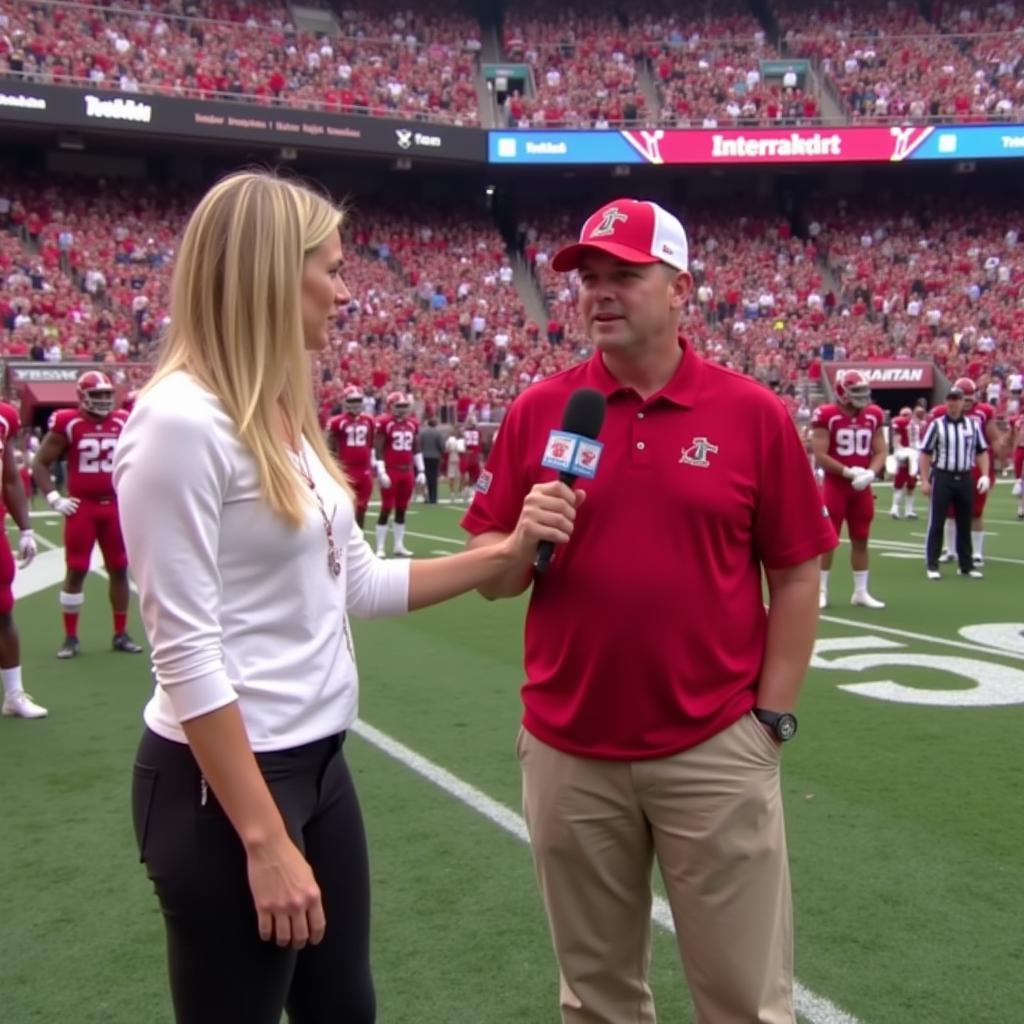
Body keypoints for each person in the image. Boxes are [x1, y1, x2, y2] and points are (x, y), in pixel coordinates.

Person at [112, 171, 578, 1024]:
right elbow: (183, 651)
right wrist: (262, 839)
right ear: (267, 274)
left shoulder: (280, 409)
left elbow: (359, 581)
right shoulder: (179, 421)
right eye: (328, 266)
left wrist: (507, 553)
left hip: (320, 766)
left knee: (344, 1010)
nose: (344, 287)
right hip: (228, 788)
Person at [460, 197, 837, 1024]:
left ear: (679, 288)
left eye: (624, 276)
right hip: (568, 749)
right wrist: (521, 540)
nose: (600, 293)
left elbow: (798, 574)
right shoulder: (542, 409)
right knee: (596, 1002)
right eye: (589, 278)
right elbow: (493, 580)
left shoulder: (752, 413)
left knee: (745, 1001)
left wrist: (770, 719)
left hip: (713, 746)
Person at [31, 370, 144, 658]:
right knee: (77, 569)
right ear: (82, 397)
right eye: (98, 395)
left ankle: (121, 633)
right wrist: (55, 497)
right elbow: (41, 463)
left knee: (119, 568)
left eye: (107, 395)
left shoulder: (122, 421)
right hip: (83, 507)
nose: (104, 401)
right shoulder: (68, 423)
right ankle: (70, 637)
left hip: (115, 505)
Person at [811, 369, 887, 609]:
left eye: (864, 390)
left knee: (861, 538)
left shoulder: (873, 415)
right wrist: (848, 471)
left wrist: (871, 473)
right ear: (842, 392)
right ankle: (820, 590)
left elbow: (881, 450)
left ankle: (861, 592)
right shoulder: (827, 415)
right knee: (829, 539)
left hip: (861, 487)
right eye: (856, 391)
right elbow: (820, 454)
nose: (862, 395)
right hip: (836, 485)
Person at [919, 383, 990, 579]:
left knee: (964, 522)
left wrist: (984, 474)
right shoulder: (937, 425)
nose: (953, 404)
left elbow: (982, 451)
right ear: (945, 402)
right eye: (950, 400)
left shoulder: (972, 425)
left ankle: (965, 565)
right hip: (943, 476)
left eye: (957, 400)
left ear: (963, 403)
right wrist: (924, 479)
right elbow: (925, 453)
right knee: (937, 522)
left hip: (965, 477)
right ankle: (932, 565)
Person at [0, 400, 43, 719]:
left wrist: (26, 529)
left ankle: (14, 695)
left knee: (3, 611)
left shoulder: (5, 417)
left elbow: (10, 478)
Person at [930, 377, 1000, 565]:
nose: (966, 403)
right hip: (949, 468)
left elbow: (993, 440)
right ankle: (950, 550)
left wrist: (991, 468)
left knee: (976, 512)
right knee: (949, 513)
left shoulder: (983, 412)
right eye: (963, 399)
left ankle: (976, 552)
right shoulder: (941, 414)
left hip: (975, 468)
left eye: (969, 399)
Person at [373, 391, 425, 557]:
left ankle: (398, 545)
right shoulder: (384, 423)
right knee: (386, 508)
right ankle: (380, 547)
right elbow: (378, 448)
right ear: (390, 406)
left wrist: (421, 470)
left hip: (407, 470)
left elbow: (416, 447)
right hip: (391, 470)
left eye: (404, 406)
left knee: (402, 509)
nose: (402, 409)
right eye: (399, 406)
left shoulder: (412, 424)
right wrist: (381, 471)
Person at [327, 385, 375, 528]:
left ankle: (359, 538)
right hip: (346, 470)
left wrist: (375, 464)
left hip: (364, 470)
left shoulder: (369, 421)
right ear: (345, 402)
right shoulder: (337, 422)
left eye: (358, 401)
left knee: (362, 508)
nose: (356, 405)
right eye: (352, 401)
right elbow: (330, 447)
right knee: (344, 508)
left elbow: (370, 443)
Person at [889, 404, 926, 519]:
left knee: (901, 484)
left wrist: (898, 452)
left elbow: (896, 440)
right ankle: (906, 510)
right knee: (910, 484)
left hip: (905, 454)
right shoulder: (918, 423)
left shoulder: (900, 422)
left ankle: (896, 509)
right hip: (914, 455)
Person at [419, 416, 444, 504]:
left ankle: (427, 496)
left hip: (425, 456)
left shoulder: (423, 432)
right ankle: (433, 497)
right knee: (433, 477)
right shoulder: (438, 433)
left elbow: (420, 444)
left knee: (426, 476)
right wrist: (441, 453)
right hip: (435, 457)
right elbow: (441, 445)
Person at [460, 416, 483, 500]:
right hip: (475, 454)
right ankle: (473, 491)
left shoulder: (464, 432)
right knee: (476, 475)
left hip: (466, 454)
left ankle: (465, 490)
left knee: (465, 473)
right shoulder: (478, 432)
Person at [445, 425, 465, 502]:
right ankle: (456, 492)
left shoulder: (452, 439)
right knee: (454, 476)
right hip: (457, 458)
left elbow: (447, 449)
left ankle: (457, 491)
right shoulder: (456, 440)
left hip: (455, 457)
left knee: (457, 475)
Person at [1011, 409, 1024, 519]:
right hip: (1020, 449)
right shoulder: (1018, 421)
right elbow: (1018, 435)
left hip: (1020, 449)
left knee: (1019, 481)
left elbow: (1018, 434)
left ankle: (1020, 508)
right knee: (1019, 481)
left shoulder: (1018, 420)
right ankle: (1020, 508)